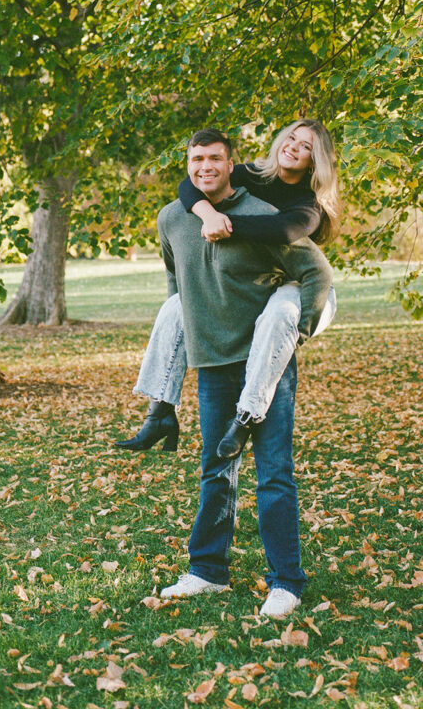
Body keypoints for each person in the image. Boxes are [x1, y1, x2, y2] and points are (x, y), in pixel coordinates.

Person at [151, 128, 332, 617]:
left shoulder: (297, 208)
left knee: (274, 473)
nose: (206, 167)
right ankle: (207, 571)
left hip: (267, 354)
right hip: (214, 360)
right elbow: (179, 267)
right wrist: (208, 211)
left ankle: (286, 582)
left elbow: (309, 262)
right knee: (216, 469)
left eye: (216, 160)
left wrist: (299, 332)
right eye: (197, 159)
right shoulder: (183, 210)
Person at [116, 119, 341, 459]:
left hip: (305, 288)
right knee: (176, 306)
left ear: (316, 160)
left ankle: (248, 414)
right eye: (292, 138)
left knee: (281, 313)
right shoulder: (249, 174)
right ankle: (160, 411)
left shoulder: (309, 203)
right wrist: (207, 214)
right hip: (271, 280)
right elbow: (190, 186)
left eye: (306, 146)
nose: (294, 146)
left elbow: (284, 231)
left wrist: (227, 225)